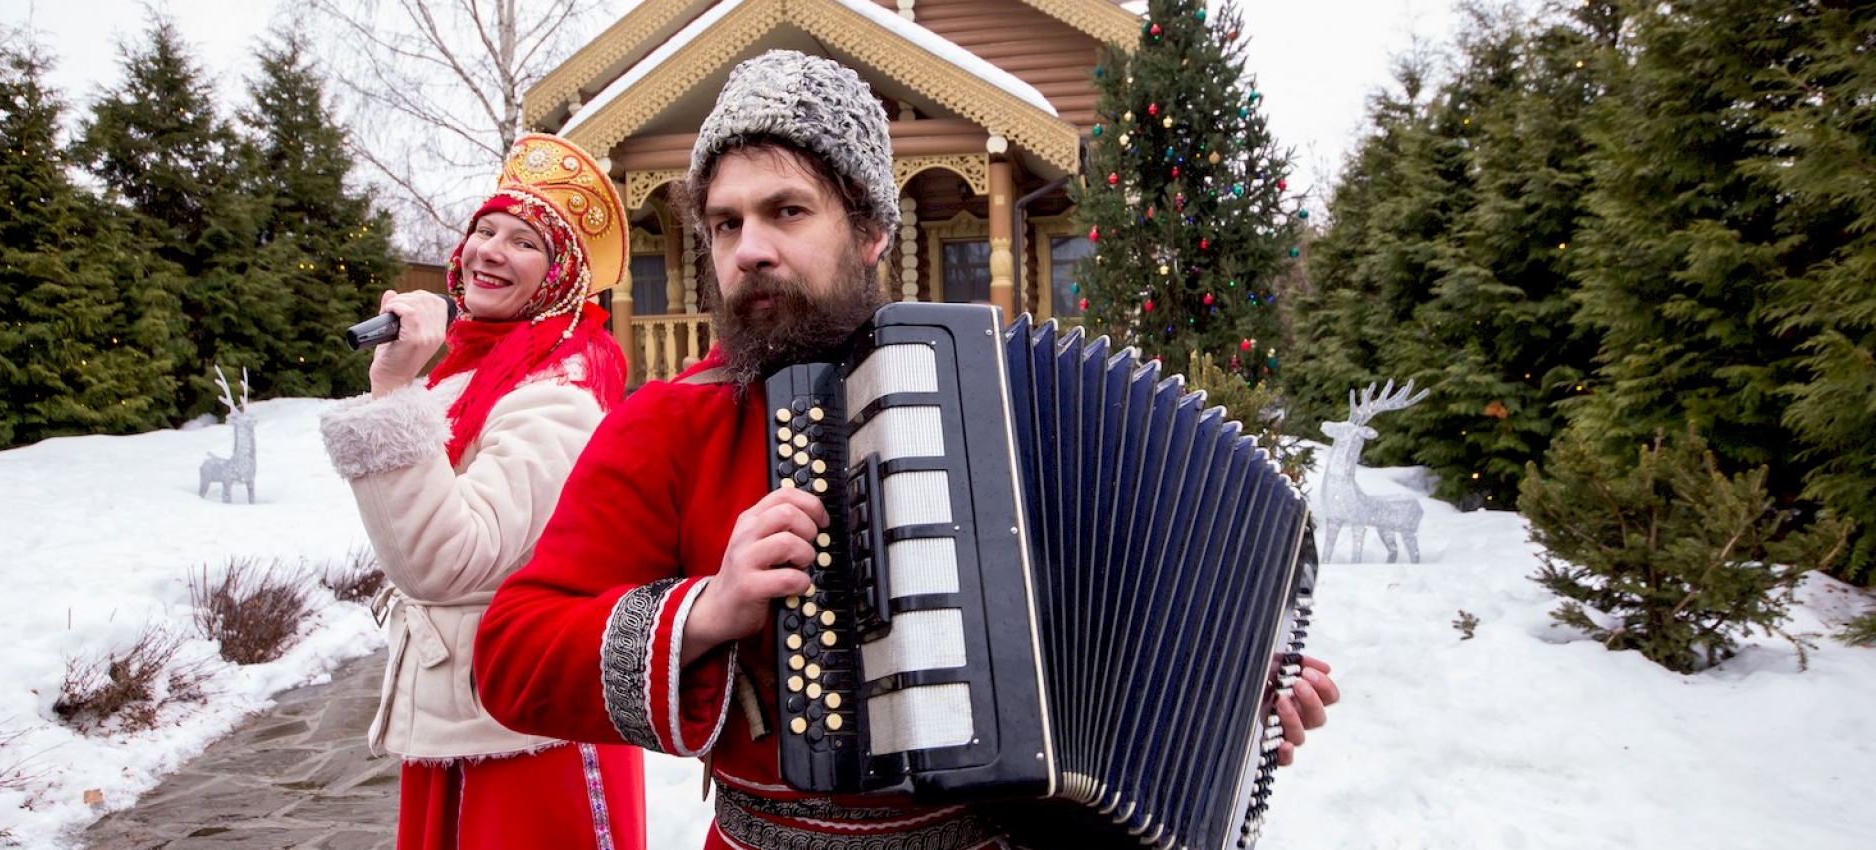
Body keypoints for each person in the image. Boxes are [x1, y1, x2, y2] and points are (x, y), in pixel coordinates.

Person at [474, 51, 1338, 849]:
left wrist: (1231, 696)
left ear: (873, 232)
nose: (752, 250)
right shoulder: (669, 424)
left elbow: (1129, 615)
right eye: (725, 224)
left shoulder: (1007, 403)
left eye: (786, 211)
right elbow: (508, 655)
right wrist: (707, 610)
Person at [318, 133, 645, 850]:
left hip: (528, 732)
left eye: (524, 241)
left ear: (560, 277)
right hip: (468, 708)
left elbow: (446, 559)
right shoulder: (471, 370)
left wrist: (393, 386)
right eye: (484, 231)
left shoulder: (560, 394)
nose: (490, 250)